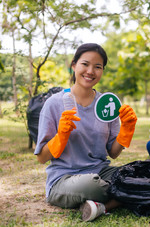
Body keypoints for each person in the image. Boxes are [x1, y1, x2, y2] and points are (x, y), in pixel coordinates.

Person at [34, 43, 137, 222]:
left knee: (139, 174)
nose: (91, 71)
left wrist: (127, 129)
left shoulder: (106, 104)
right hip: (64, 179)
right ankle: (122, 194)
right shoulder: (54, 104)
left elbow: (113, 153)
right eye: (85, 64)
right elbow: (42, 158)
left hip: (101, 172)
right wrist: (61, 136)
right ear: (73, 65)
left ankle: (101, 207)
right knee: (95, 185)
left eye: (98, 67)